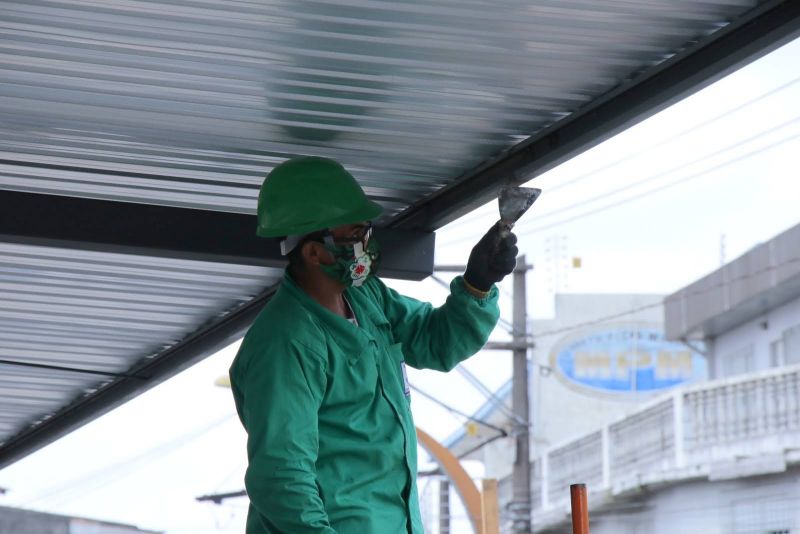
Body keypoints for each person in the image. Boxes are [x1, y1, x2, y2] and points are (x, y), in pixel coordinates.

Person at [229, 156, 518, 533]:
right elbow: (282, 475)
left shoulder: (368, 298)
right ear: (313, 252)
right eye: (352, 238)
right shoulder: (286, 343)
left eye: (366, 232)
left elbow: (437, 341)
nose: (366, 246)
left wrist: (477, 284)